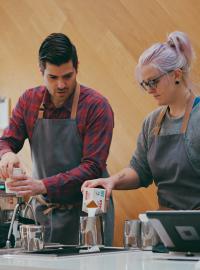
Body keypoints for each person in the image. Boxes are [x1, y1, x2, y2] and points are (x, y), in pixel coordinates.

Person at [0, 33, 114, 245]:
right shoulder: (29, 101)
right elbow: (5, 141)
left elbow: (92, 167)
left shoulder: (96, 106)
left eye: (67, 76)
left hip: (88, 215)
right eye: (53, 77)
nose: (61, 85)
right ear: (41, 71)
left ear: (76, 68)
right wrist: (7, 155)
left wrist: (42, 185)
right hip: (44, 213)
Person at [82, 31, 200, 211]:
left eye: (153, 82)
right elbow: (139, 170)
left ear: (176, 75)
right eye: (145, 84)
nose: (150, 90)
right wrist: (111, 181)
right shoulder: (152, 123)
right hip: (168, 228)